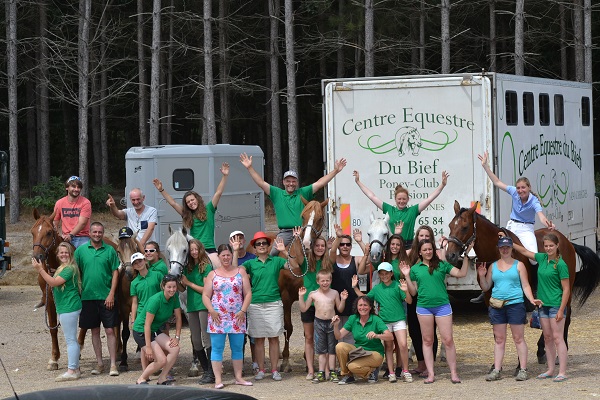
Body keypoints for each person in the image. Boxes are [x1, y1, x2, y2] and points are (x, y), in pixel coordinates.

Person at [239, 152, 346, 254]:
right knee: (274, 252)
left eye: (293, 181)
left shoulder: (303, 192)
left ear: (297, 182)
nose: (291, 183)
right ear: (283, 182)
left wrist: (336, 171)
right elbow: (261, 183)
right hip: (286, 233)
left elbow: (320, 183)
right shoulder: (277, 193)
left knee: (320, 249)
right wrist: (249, 167)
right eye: (288, 181)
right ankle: (268, 270)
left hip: (303, 231)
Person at [400, 239, 473, 384]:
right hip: (423, 307)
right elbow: (413, 292)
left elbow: (461, 273)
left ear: (434, 250)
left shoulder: (441, 265)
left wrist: (465, 257)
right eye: (425, 250)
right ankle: (431, 374)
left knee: (448, 340)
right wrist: (407, 276)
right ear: (419, 252)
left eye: (430, 249)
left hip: (442, 306)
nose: (428, 252)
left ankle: (453, 373)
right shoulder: (415, 269)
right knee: (427, 341)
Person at [508, 233, 570, 382]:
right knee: (547, 337)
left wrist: (562, 309)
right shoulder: (542, 258)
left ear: (557, 246)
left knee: (557, 337)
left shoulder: (561, 264)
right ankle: (550, 369)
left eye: (551, 246)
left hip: (556, 304)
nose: (548, 248)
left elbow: (567, 289)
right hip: (543, 305)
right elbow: (524, 252)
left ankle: (562, 371)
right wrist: (510, 242)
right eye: (546, 246)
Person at [477, 236, 540, 382]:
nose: (505, 250)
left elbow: (525, 285)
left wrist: (531, 299)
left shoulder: (519, 265)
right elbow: (486, 286)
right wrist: (481, 276)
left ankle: (523, 369)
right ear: (498, 249)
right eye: (502, 247)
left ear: (511, 249)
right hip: (497, 305)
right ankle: (497, 369)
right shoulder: (493, 266)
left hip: (515, 304)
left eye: (507, 247)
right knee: (499, 339)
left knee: (518, 338)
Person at [240, 232, 295, 381]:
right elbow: (235, 270)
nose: (262, 246)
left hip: (273, 303)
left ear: (268, 245)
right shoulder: (250, 263)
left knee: (273, 338)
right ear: (255, 247)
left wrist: (284, 251)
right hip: (255, 304)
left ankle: (274, 370)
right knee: (258, 339)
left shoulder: (276, 261)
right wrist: (234, 251)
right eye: (258, 244)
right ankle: (261, 370)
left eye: (264, 243)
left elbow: (294, 266)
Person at [153, 162, 230, 268]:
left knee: (217, 271)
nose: (191, 203)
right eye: (188, 202)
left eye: (192, 200)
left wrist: (225, 176)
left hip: (209, 248)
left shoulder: (209, 209)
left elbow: (218, 193)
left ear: (197, 199)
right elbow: (173, 203)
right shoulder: (187, 214)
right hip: (194, 250)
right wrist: (161, 190)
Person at [478, 151, 555, 257]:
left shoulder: (534, 201)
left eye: (523, 187)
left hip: (526, 229)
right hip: (511, 226)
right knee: (499, 251)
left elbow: (541, 217)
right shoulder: (514, 192)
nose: (520, 190)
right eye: (518, 188)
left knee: (533, 258)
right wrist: (485, 166)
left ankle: (534, 274)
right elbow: (497, 182)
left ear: (529, 187)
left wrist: (548, 225)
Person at [353, 169, 448, 249]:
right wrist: (358, 182)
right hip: (392, 247)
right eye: (399, 199)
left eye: (404, 199)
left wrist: (442, 185)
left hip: (409, 246)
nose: (401, 201)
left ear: (408, 199)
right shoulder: (389, 209)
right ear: (395, 199)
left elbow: (429, 199)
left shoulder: (413, 211)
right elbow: (372, 196)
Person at [202, 241, 253, 389]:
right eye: (223, 255)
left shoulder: (240, 272)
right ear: (219, 257)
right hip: (218, 317)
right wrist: (211, 310)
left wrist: (243, 310)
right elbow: (205, 295)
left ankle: (238, 377)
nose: (226, 258)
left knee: (237, 348)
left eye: (228, 255)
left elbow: (248, 293)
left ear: (232, 255)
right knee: (217, 348)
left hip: (237, 317)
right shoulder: (213, 274)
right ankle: (218, 379)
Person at [352, 263, 413, 383]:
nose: (384, 276)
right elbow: (364, 299)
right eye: (381, 274)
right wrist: (355, 288)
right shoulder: (377, 289)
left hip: (399, 319)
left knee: (403, 345)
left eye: (386, 273)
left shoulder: (397, 285)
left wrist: (406, 291)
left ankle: (405, 371)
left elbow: (409, 301)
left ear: (391, 274)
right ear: (379, 275)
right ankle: (391, 372)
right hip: (385, 321)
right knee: (388, 347)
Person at [74, 222, 120, 377]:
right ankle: (100, 363)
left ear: (103, 233)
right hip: (87, 297)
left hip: (106, 297)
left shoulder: (110, 251)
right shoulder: (80, 251)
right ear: (89, 233)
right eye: (94, 232)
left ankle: (113, 364)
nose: (97, 234)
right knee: (94, 331)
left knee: (109, 330)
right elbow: (75, 271)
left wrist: (111, 293)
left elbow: (115, 272)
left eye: (100, 232)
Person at [32, 242, 82, 382]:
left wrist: (40, 270)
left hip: (69, 306)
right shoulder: (63, 267)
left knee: (70, 340)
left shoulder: (69, 269)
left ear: (70, 254)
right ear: (57, 255)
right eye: (61, 252)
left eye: (66, 252)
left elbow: (53, 283)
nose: (64, 254)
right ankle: (75, 368)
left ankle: (72, 370)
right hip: (67, 306)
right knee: (71, 339)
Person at [291, 234, 333, 381]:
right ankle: (310, 369)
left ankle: (327, 369)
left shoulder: (328, 262)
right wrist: (297, 240)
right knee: (309, 337)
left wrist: (337, 240)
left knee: (327, 338)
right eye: (317, 246)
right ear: (313, 247)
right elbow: (298, 255)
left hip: (325, 303)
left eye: (323, 246)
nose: (320, 248)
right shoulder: (307, 263)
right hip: (310, 303)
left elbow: (333, 252)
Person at [405, 225, 444, 376]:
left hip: (428, 299)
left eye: (427, 236)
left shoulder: (435, 254)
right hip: (413, 297)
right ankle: (421, 364)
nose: (424, 238)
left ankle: (430, 366)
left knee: (429, 334)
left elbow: (444, 265)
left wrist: (444, 248)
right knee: (414, 331)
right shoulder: (410, 254)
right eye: (421, 236)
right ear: (417, 237)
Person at [298, 270, 348, 384]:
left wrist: (343, 299)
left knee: (332, 349)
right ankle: (321, 372)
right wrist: (301, 297)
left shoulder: (334, 293)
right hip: (319, 323)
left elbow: (340, 309)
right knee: (321, 349)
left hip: (332, 323)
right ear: (318, 281)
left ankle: (332, 371)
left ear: (331, 280)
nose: (325, 283)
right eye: (322, 281)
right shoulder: (313, 294)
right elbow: (304, 309)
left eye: (327, 280)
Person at [132, 274, 182, 385]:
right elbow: (147, 325)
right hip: (141, 331)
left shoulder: (174, 298)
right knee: (161, 360)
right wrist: (148, 347)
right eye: (169, 287)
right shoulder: (155, 300)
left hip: (154, 330)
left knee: (175, 349)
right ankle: (141, 379)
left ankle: (162, 378)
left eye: (174, 287)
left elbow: (178, 318)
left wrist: (177, 337)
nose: (172, 290)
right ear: (163, 286)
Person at [332, 296, 393, 384]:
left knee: (352, 366)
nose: (362, 308)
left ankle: (372, 370)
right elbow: (339, 336)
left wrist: (377, 335)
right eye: (360, 305)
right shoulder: (353, 318)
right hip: (359, 351)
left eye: (365, 305)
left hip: (374, 353)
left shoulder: (376, 319)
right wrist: (335, 325)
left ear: (370, 307)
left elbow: (390, 336)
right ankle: (347, 375)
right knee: (340, 346)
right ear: (357, 307)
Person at [180, 239, 214, 384]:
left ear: (200, 249)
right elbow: (183, 289)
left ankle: (211, 372)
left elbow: (206, 289)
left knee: (207, 339)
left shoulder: (206, 267)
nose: (194, 252)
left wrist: (188, 283)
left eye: (196, 249)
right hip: (191, 306)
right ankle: (206, 370)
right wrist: (178, 282)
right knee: (195, 340)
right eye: (191, 250)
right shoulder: (188, 267)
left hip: (203, 305)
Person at [329, 226, 368, 343]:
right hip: (337, 303)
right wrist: (338, 237)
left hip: (352, 303)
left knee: (351, 338)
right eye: (342, 244)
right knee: (338, 337)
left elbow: (369, 258)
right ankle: (341, 360)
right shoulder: (333, 259)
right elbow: (331, 251)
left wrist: (360, 241)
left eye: (348, 244)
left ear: (351, 246)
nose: (345, 246)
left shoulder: (356, 260)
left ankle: (351, 360)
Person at [53, 176, 92, 248]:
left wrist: (71, 235)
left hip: (82, 237)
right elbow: (55, 221)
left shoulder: (85, 202)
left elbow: (82, 223)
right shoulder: (59, 203)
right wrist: (57, 233)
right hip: (65, 238)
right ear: (67, 187)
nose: (76, 189)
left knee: (85, 256)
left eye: (79, 187)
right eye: (73, 186)